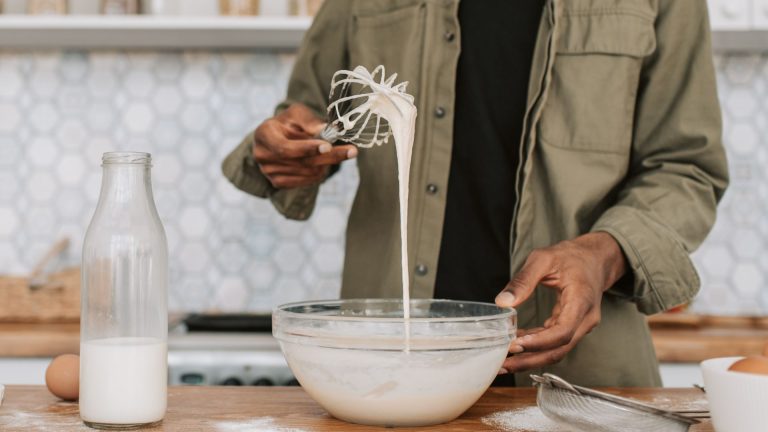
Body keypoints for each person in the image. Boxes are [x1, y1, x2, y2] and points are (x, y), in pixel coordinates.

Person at [222, 0, 728, 387]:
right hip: (387, 373)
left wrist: (605, 253)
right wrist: (290, 147)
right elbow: (315, 115)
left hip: (582, 382)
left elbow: (686, 168)